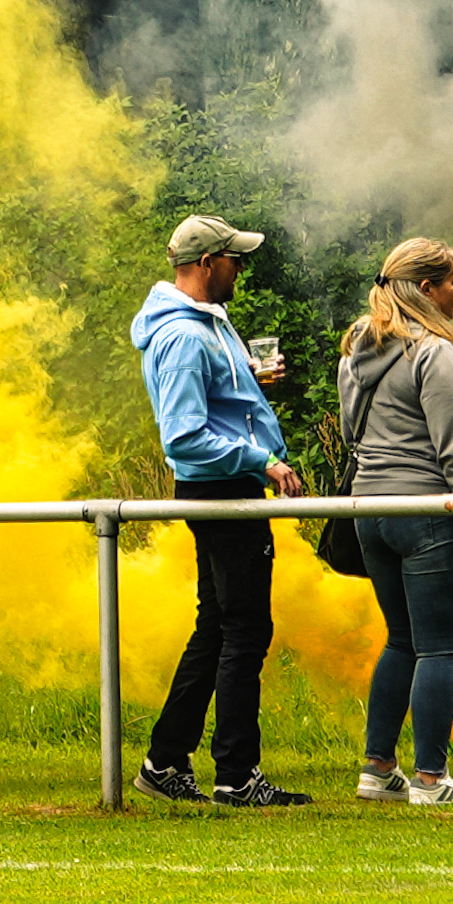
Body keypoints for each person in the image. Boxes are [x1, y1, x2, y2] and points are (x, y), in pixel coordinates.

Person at [128, 213, 309, 806]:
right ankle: (236, 774)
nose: (241, 268)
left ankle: (165, 761)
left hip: (221, 489)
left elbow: (213, 403)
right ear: (207, 264)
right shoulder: (184, 335)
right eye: (235, 258)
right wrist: (263, 463)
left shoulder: (205, 324)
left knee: (218, 626)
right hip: (222, 492)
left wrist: (251, 383)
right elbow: (182, 436)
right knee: (245, 628)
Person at [338, 237, 453, 809]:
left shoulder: (357, 346)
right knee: (438, 648)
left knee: (400, 640)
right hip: (427, 510)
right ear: (426, 289)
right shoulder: (434, 351)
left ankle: (377, 769)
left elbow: (352, 433)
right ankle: (432, 779)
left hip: (368, 511)